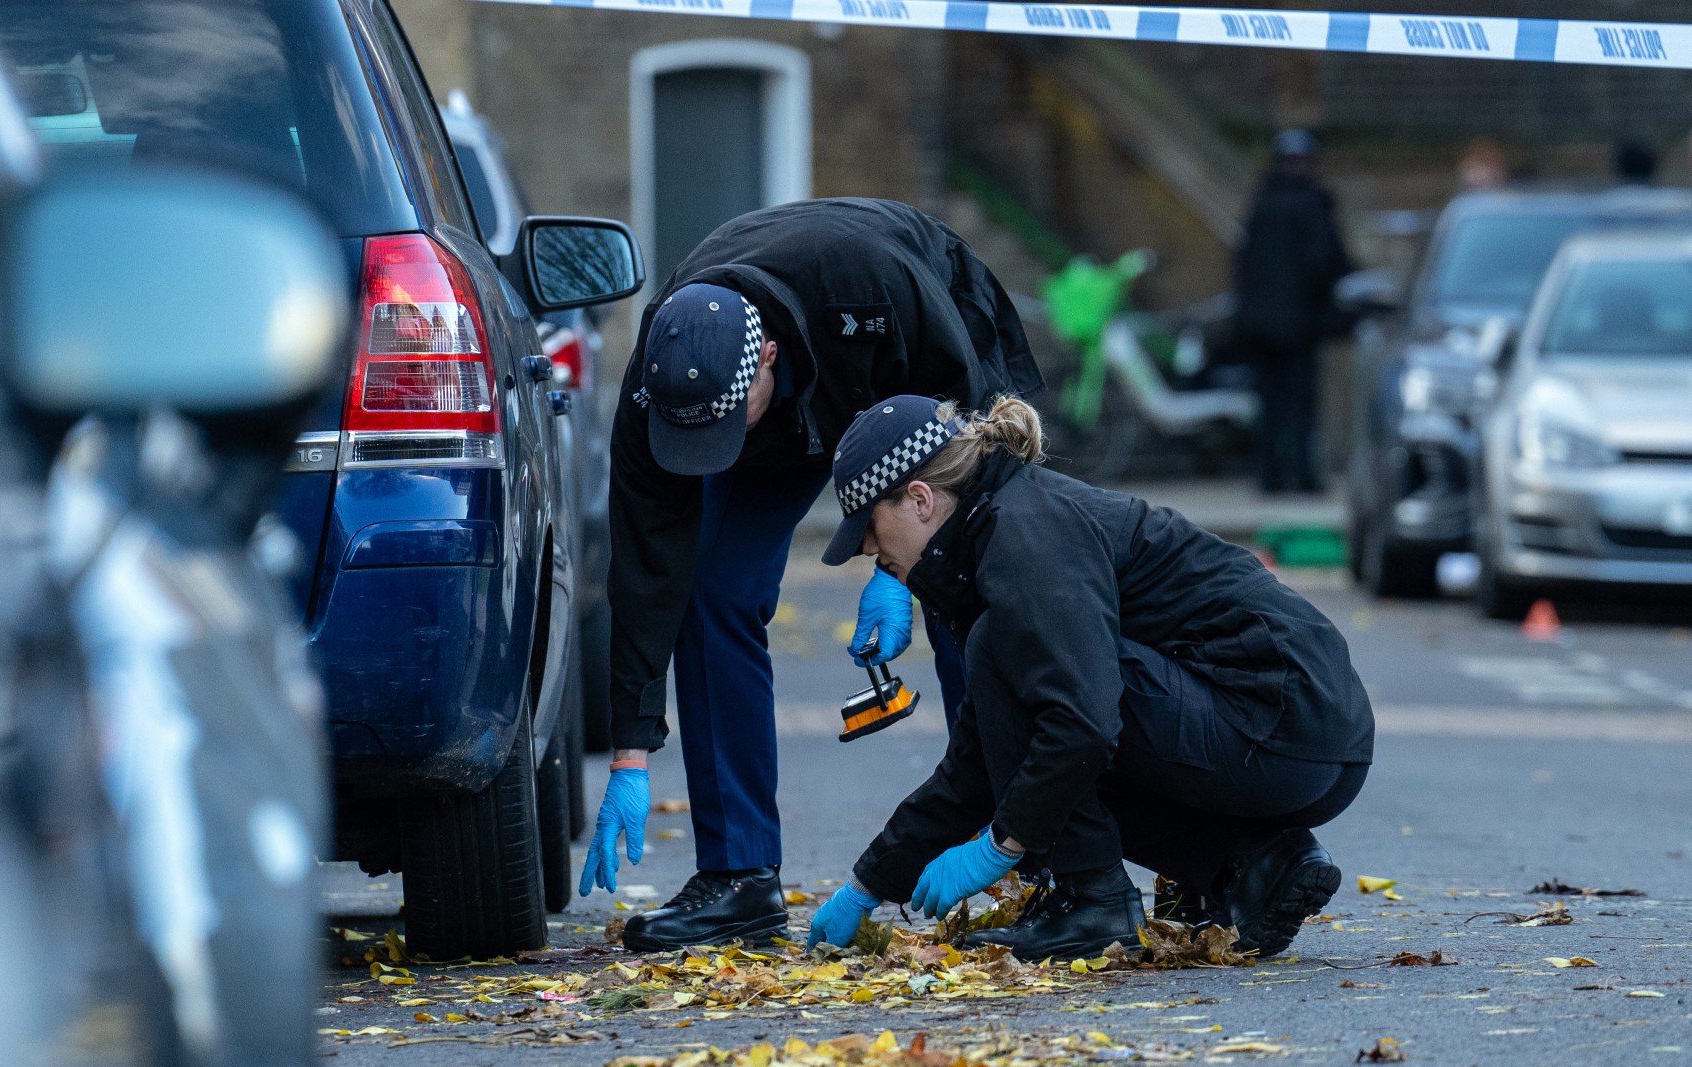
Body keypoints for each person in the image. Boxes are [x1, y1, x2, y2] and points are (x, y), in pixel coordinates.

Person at [580, 198, 1046, 951]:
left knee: (970, 586)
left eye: (732, 425)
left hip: (919, 370)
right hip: (789, 413)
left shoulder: (871, 283)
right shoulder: (665, 378)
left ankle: (1026, 853)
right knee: (712, 591)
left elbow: (955, 421)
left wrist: (900, 569)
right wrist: (630, 750)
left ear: (763, 355)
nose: (716, 452)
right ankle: (739, 879)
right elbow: (646, 570)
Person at [805, 394, 1374, 961]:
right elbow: (981, 761)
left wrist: (1002, 846)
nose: (872, 552)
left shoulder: (1026, 537)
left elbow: (1084, 723)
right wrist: (869, 884)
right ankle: (1253, 865)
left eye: (872, 532)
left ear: (921, 499)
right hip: (1307, 738)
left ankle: (1093, 903)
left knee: (1052, 711)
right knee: (1044, 737)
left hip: (1281, 729)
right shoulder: (1009, 523)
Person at [1232, 129, 1352, 494]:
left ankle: (1269, 476)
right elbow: (1325, 262)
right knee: (1299, 406)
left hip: (1261, 326)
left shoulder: (1261, 204)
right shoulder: (1312, 205)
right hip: (1299, 326)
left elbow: (1243, 264)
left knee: (1270, 404)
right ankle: (1300, 476)